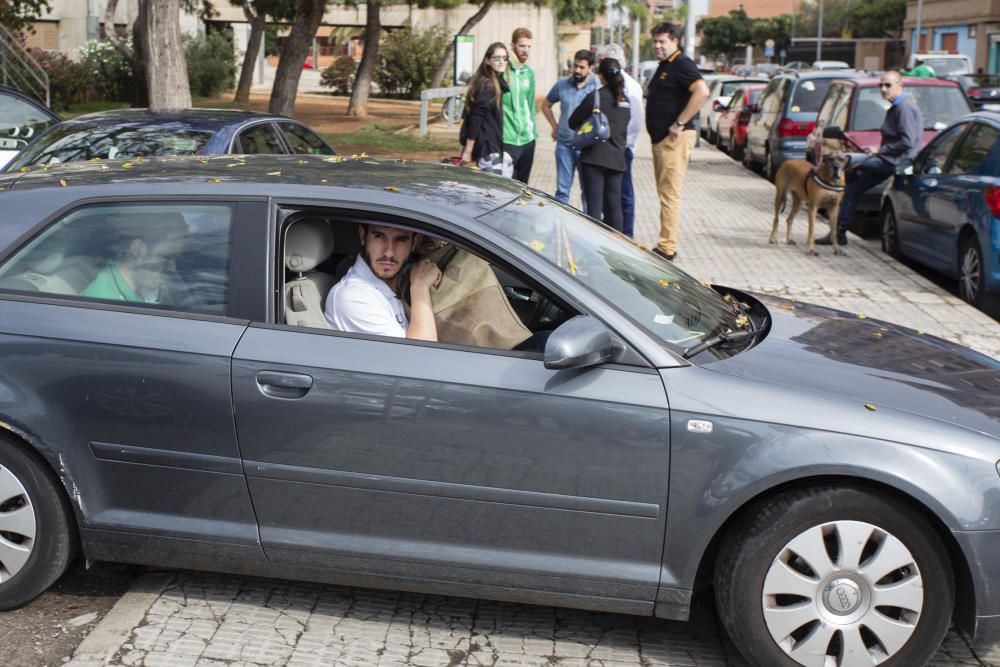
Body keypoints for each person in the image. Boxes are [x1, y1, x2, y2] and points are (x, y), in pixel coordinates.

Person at [817, 70, 923, 247]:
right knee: (853, 188)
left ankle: (826, 205)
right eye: (880, 85)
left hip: (895, 162)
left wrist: (879, 150)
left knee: (847, 161)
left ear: (900, 85)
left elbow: (907, 142)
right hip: (890, 159)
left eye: (888, 85)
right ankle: (838, 233)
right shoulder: (898, 105)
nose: (883, 89)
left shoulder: (903, 108)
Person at [645, 22, 710, 261]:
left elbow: (702, 91)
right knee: (665, 193)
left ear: (675, 41)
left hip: (674, 139)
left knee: (670, 194)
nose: (658, 46)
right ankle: (665, 241)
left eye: (662, 41)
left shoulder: (682, 63)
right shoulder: (667, 64)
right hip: (662, 140)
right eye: (655, 41)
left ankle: (667, 247)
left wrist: (680, 122)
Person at [325, 224, 441, 341]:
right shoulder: (352, 297)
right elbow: (420, 356)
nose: (389, 252)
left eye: (400, 240)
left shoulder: (399, 282)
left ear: (414, 243)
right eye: (379, 237)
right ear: (363, 236)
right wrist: (420, 287)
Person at [568, 57, 630, 232]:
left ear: (601, 76)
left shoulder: (595, 96)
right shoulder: (626, 101)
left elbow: (573, 122)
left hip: (594, 159)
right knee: (615, 207)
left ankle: (593, 246)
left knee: (594, 208)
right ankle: (618, 244)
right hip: (617, 160)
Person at [82, 213, 186, 305]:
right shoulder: (105, 304)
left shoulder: (147, 283)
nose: (173, 268)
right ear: (138, 249)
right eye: (167, 256)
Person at [597, 44, 644, 237]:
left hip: (621, 148)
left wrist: (625, 144)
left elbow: (635, 121)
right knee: (611, 197)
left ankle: (626, 235)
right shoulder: (607, 85)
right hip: (609, 148)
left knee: (623, 196)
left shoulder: (630, 87)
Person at [542, 50, 598, 205]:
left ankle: (588, 227)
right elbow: (546, 105)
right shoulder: (562, 85)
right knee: (562, 192)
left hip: (587, 147)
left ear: (590, 68)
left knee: (588, 193)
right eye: (575, 66)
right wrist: (554, 126)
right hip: (564, 145)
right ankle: (559, 227)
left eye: (582, 67)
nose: (577, 70)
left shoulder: (596, 87)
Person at [461, 42, 512, 177]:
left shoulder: (487, 82)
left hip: (491, 147)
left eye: (504, 58)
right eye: (497, 58)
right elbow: (475, 119)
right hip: (488, 148)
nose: (501, 61)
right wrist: (467, 150)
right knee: (495, 194)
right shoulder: (489, 86)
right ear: (488, 61)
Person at [502, 27, 537, 184]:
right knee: (506, 189)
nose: (526, 50)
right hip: (507, 140)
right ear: (513, 45)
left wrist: (533, 134)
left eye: (529, 46)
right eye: (522, 46)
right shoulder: (501, 70)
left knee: (523, 189)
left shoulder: (529, 73)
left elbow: (530, 106)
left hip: (527, 141)